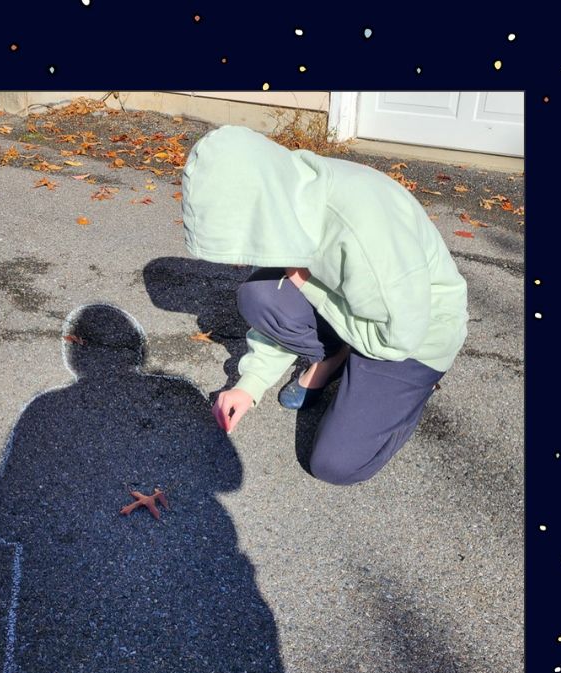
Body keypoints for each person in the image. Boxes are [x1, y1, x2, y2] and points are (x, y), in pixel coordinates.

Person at [179, 124, 468, 485]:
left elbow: (400, 337)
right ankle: (340, 353)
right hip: (364, 310)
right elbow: (291, 296)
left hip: (415, 336)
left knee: (335, 464)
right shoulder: (285, 195)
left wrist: (308, 286)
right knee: (261, 295)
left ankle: (399, 396)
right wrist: (248, 385)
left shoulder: (362, 230)